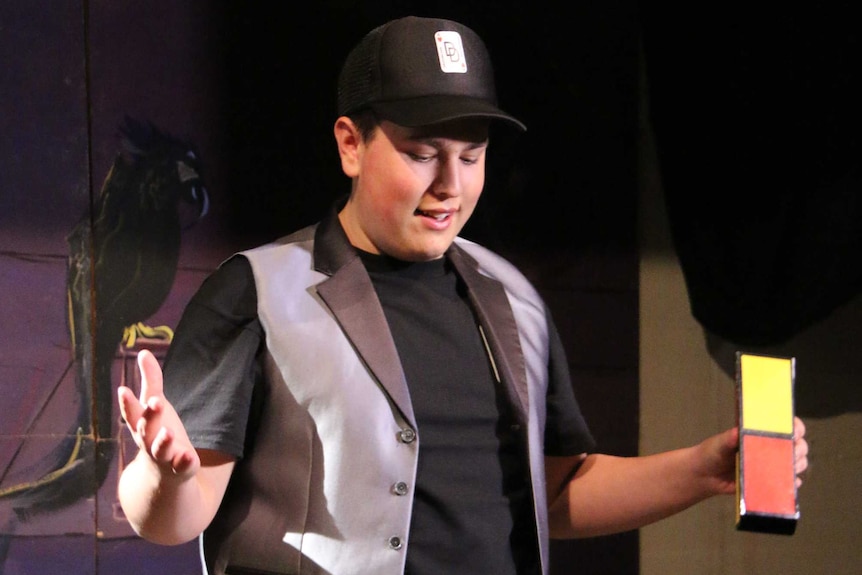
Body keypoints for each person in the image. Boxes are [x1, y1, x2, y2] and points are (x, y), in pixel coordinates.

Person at [117, 15, 809, 575]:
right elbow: (177, 511)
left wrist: (703, 469)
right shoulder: (258, 290)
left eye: (471, 156)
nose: (451, 183)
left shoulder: (513, 299)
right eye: (422, 153)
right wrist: (165, 474)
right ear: (351, 144)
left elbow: (556, 491)